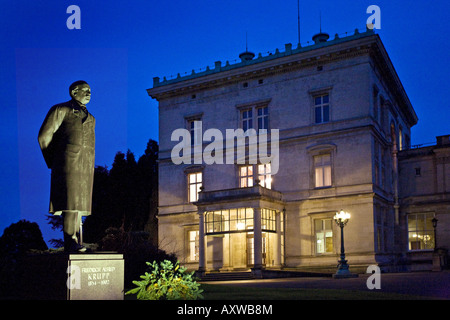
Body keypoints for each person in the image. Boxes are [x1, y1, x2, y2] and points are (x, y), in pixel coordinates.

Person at [38, 80, 95, 252]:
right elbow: (43, 137)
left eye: (90, 90)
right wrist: (54, 161)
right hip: (67, 163)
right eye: (85, 90)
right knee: (70, 202)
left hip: (85, 166)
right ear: (73, 92)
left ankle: (77, 240)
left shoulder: (91, 118)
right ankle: (70, 241)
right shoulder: (61, 110)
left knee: (80, 204)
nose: (88, 93)